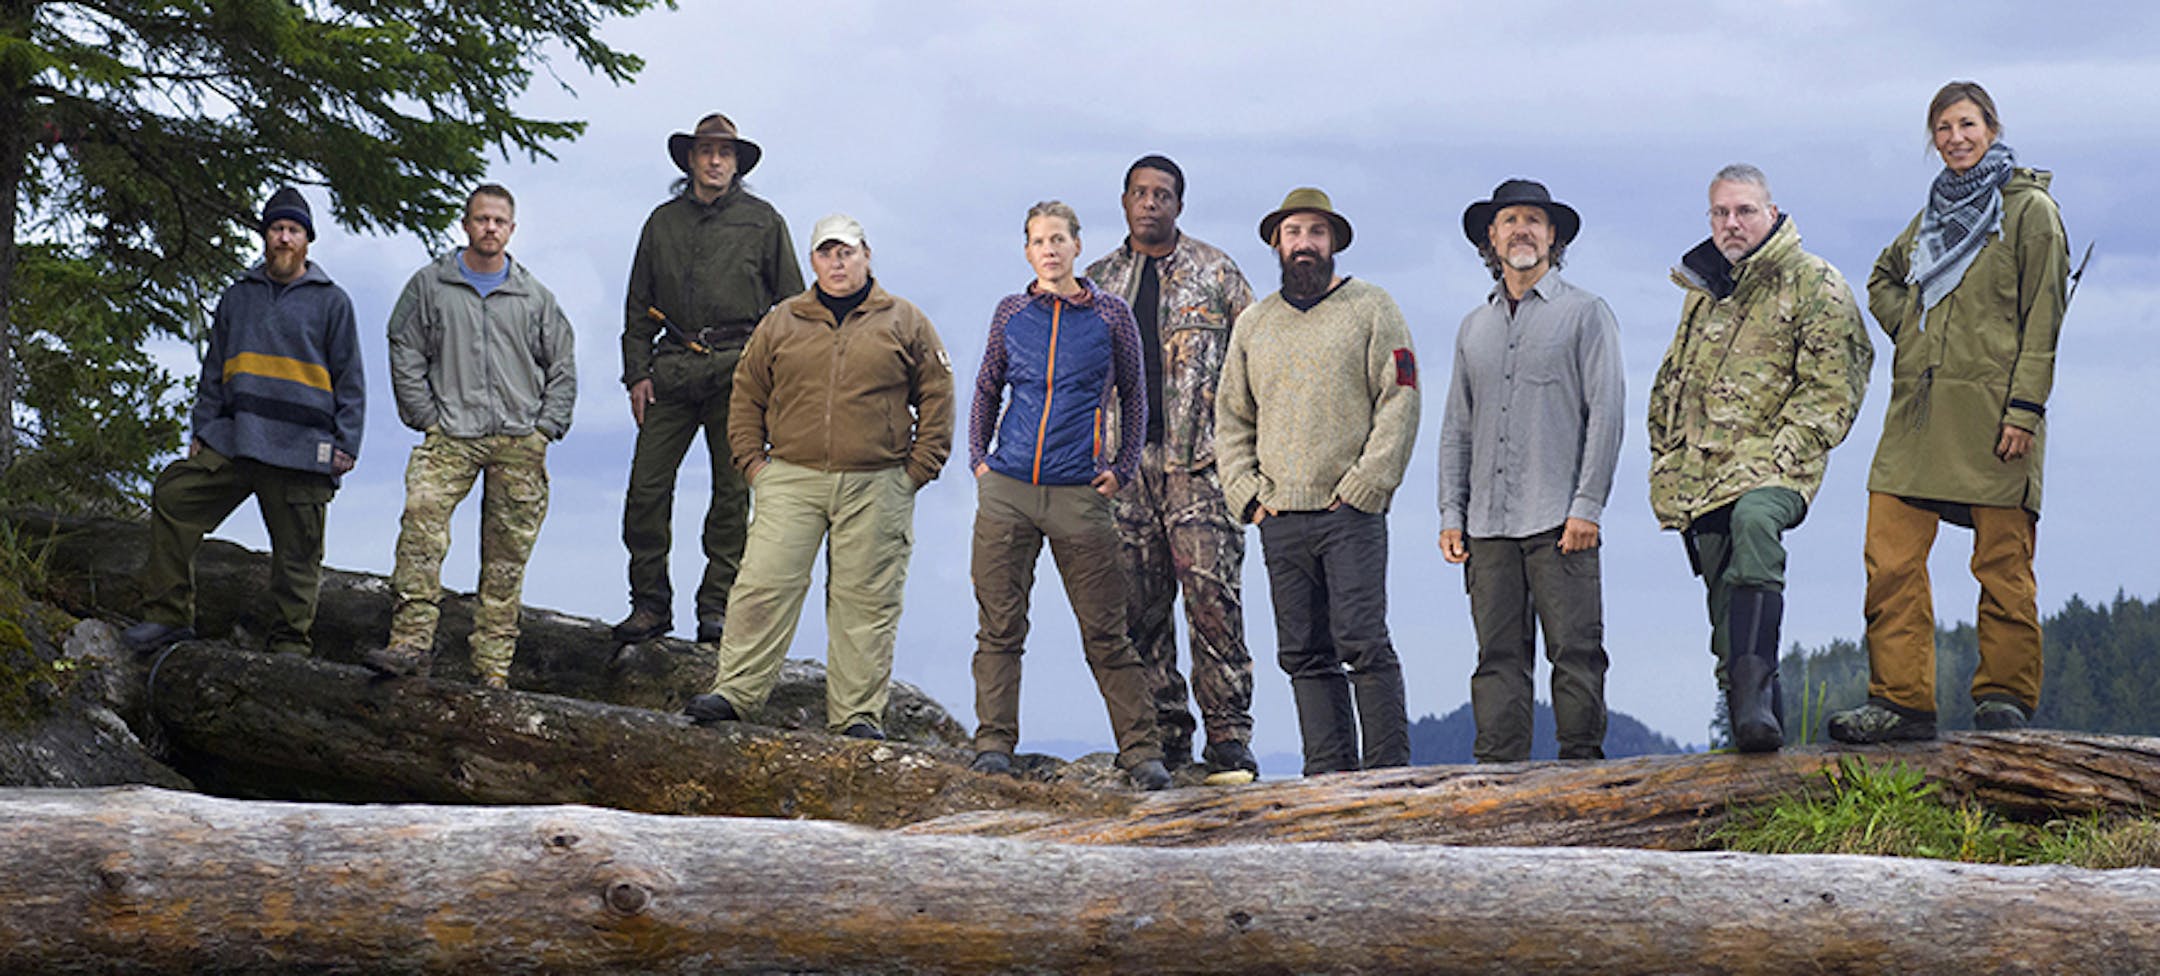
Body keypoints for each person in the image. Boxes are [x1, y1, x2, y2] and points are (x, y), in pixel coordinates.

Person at [1830, 81, 2070, 743]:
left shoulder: (2031, 211)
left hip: (1997, 415)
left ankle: (2004, 701)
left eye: (1966, 124)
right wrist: (1910, 325)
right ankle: (1902, 703)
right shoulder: (1934, 212)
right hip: (1917, 413)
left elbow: (2044, 319)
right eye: (1942, 128)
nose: (1955, 138)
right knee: (1890, 557)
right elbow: (1883, 275)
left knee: (2003, 564)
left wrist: (2025, 409)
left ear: (1991, 127)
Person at [684, 214, 954, 738]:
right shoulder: (782, 321)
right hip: (790, 476)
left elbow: (938, 395)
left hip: (878, 482)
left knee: (866, 602)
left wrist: (918, 469)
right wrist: (754, 465)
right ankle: (735, 694)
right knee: (762, 586)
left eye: (847, 252)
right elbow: (747, 394)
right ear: (813, 261)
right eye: (827, 253)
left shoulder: (906, 320)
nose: (838, 261)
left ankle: (856, 715)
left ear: (866, 255)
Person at [1649, 165, 1871, 752]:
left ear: (1772, 213)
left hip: (1776, 467)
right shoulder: (1704, 293)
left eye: (1744, 211)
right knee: (1723, 594)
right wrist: (1667, 460)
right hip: (1702, 476)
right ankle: (1754, 733)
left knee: (1753, 525)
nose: (1732, 223)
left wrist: (1784, 452)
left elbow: (1836, 386)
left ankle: (1752, 698)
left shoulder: (1814, 282)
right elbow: (1672, 383)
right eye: (1720, 213)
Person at [966, 200, 1171, 791]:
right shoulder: (1011, 312)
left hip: (1080, 493)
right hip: (1007, 489)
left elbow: (1136, 396)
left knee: (1107, 631)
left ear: (1078, 246)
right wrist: (979, 460)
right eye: (1037, 241)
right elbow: (986, 387)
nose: (1049, 250)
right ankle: (993, 744)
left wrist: (1123, 467)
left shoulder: (1111, 316)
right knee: (999, 628)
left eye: (1058, 239)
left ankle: (1141, 751)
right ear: (1027, 251)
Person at [1217, 187, 1420, 776]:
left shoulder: (1372, 308)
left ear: (1333, 243)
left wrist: (1366, 485)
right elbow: (1231, 415)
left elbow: (1401, 397)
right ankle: (1328, 778)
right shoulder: (1255, 324)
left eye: (1316, 233)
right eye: (1293, 233)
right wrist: (1247, 494)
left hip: (1349, 512)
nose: (1304, 243)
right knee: (1303, 653)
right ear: (1277, 244)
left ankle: (1387, 777)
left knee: (1363, 643)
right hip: (1280, 516)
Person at [123, 187, 364, 656]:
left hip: (302, 446)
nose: (284, 238)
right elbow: (213, 371)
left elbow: (351, 378)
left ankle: (289, 649)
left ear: (307, 240)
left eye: (294, 230)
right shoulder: (238, 297)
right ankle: (168, 617)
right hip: (236, 438)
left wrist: (346, 442)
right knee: (174, 495)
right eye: (277, 229)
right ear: (265, 236)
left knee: (298, 557)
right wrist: (202, 430)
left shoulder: (333, 302)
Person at [1084, 155, 1259, 785]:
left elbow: (1256, 365)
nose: (1151, 202)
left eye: (1163, 194)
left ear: (1179, 205)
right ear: (1125, 201)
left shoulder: (1217, 273)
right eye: (1140, 192)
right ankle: (1162, 739)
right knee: (1136, 612)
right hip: (1120, 472)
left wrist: (1250, 463)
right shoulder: (1097, 283)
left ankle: (1230, 739)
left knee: (1213, 603)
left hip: (1201, 467)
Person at [1437, 179, 1624, 763]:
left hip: (1560, 520)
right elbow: (1456, 428)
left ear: (1553, 237)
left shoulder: (1586, 314)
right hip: (1487, 524)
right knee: (1496, 658)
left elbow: (1608, 414)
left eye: (1534, 221)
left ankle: (1582, 776)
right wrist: (1452, 512)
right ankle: (1499, 782)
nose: (1521, 230)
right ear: (1491, 239)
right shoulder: (1474, 327)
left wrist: (1587, 506)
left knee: (1575, 652)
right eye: (1509, 220)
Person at [367, 183, 577, 688]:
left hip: (517, 438)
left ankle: (493, 669)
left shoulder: (534, 297)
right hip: (451, 433)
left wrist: (545, 429)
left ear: (512, 229)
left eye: (499, 221)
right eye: (481, 219)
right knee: (420, 525)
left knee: (506, 558)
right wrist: (424, 415)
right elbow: (404, 347)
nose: (490, 228)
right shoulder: (429, 286)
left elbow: (563, 365)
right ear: (465, 224)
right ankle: (411, 645)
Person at [615, 113, 803, 645]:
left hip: (739, 373)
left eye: (726, 152)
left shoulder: (765, 222)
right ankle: (649, 604)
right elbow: (636, 305)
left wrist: (776, 382)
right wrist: (636, 375)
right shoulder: (661, 223)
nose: (716, 160)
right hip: (670, 372)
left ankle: (717, 608)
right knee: (645, 492)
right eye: (707, 151)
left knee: (730, 497)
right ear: (691, 159)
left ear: (737, 162)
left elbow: (791, 309)